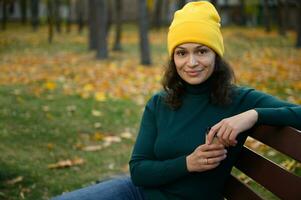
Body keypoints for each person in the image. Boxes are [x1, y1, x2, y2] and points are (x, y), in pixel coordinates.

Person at [53, 1, 301, 200]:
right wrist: (188, 163)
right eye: (182, 53)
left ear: (216, 55)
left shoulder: (240, 100)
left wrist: (253, 114)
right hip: (136, 193)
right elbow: (139, 171)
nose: (191, 63)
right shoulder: (159, 103)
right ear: (173, 59)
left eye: (201, 51)